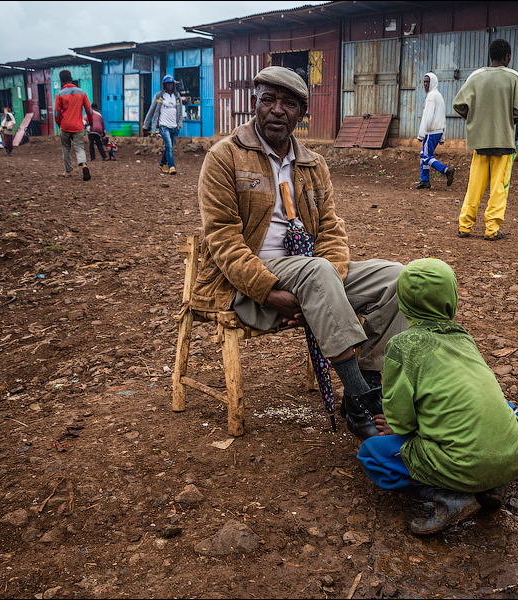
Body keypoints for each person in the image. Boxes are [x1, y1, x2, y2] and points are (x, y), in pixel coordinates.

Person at [193, 65, 407, 440]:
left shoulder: (313, 163)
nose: (277, 110)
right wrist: (268, 291)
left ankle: (372, 384)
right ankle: (360, 399)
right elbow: (222, 239)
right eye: (268, 100)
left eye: (288, 103)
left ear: (301, 115)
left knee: (397, 278)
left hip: (313, 275)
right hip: (251, 282)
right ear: (254, 104)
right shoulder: (224, 157)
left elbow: (330, 229)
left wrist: (329, 288)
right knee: (317, 272)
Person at [356, 258, 518, 535]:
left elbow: (401, 415)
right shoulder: (463, 337)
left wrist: (398, 428)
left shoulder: (401, 345)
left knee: (371, 454)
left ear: (402, 303)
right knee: (508, 408)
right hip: (517, 456)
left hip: (461, 462)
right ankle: (492, 485)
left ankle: (452, 499)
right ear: (452, 299)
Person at [452, 38, 518, 241]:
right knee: (499, 188)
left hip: (480, 142)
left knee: (474, 185)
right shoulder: (513, 77)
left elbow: (458, 104)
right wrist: (505, 122)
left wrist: (475, 120)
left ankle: (464, 225)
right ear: (507, 56)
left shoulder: (476, 76)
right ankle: (492, 229)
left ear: (491, 55)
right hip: (504, 142)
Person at [415, 72, 454, 189]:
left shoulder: (431, 96)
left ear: (433, 82)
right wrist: (442, 136)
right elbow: (443, 117)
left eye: (428, 81)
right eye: (424, 81)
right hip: (438, 131)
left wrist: (421, 134)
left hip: (431, 131)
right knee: (425, 155)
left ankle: (446, 170)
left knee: (425, 155)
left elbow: (427, 116)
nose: (426, 84)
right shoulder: (438, 96)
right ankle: (425, 180)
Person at [54, 69, 93, 181]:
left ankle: (68, 171)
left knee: (66, 148)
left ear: (61, 81)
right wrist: (91, 122)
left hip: (65, 126)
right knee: (79, 147)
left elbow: (57, 112)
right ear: (71, 79)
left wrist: (59, 124)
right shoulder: (81, 92)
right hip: (78, 126)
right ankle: (84, 165)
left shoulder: (59, 94)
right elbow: (89, 110)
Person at [143, 74, 185, 175]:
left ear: (173, 85)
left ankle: (162, 163)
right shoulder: (159, 96)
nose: (169, 85)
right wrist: (145, 125)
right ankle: (171, 166)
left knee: (169, 147)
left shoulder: (177, 97)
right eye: (167, 84)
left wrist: (179, 125)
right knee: (169, 146)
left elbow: (180, 112)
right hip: (163, 125)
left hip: (174, 126)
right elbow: (151, 111)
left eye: (171, 83)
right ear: (164, 85)